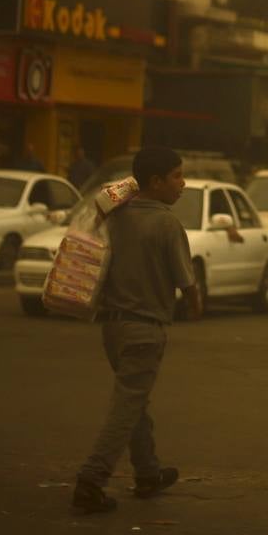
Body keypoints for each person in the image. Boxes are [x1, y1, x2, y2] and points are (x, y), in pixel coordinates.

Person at [73, 147, 203, 515]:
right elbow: (185, 278)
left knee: (135, 402)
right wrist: (195, 303)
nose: (183, 184)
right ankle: (91, 480)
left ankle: (148, 472)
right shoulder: (166, 224)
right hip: (145, 329)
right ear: (156, 182)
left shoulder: (118, 217)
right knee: (126, 406)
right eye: (177, 176)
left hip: (112, 328)